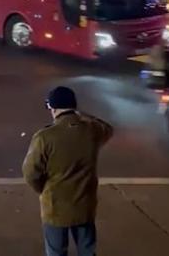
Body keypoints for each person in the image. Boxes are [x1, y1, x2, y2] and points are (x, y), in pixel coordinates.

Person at [22, 86, 113, 256]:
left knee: (56, 252)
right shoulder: (92, 131)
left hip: (55, 207)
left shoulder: (44, 137)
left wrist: (42, 190)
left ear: (54, 109)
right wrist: (83, 116)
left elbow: (30, 173)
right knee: (87, 250)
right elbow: (108, 129)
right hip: (84, 207)